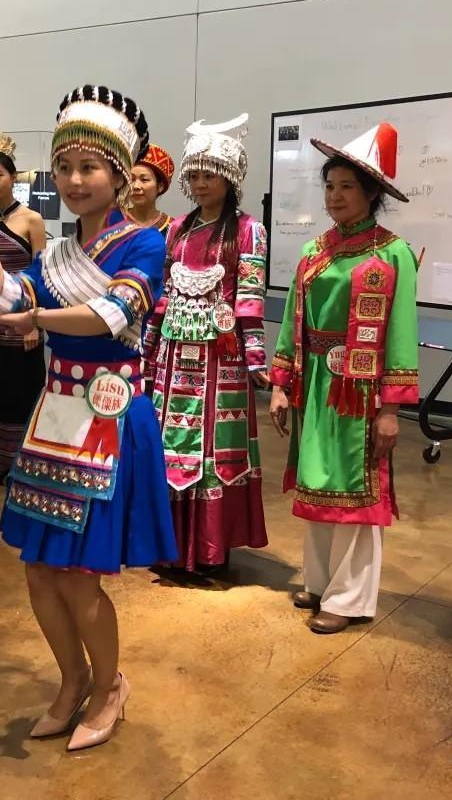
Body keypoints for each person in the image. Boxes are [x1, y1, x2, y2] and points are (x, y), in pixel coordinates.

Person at [0, 84, 177, 751]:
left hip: (110, 417)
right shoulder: (56, 254)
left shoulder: (144, 245)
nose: (75, 180)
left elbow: (112, 314)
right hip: (56, 412)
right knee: (38, 568)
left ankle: (109, 687)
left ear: (118, 175)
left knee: (81, 574)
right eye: (64, 168)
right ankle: (72, 681)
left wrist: (36, 317)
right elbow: (0, 297)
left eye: (89, 167)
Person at [268, 123, 419, 635]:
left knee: (355, 489)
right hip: (316, 383)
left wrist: (391, 408)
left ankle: (350, 597)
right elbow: (293, 321)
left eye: (346, 187)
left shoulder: (392, 253)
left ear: (371, 193)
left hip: (360, 390)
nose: (334, 196)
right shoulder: (315, 251)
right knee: (317, 481)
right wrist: (281, 383)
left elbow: (401, 332)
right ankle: (319, 580)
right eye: (329, 185)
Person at [144, 115, 268, 576]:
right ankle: (170, 546)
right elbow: (162, 294)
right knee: (170, 444)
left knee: (214, 447)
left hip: (222, 359)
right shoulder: (176, 228)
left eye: (208, 175)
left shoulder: (248, 231)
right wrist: (148, 348)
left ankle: (210, 550)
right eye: (193, 175)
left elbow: (249, 299)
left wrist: (255, 358)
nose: (199, 184)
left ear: (229, 178)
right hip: (174, 359)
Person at [0, 131, 48, 484]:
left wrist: (35, 324)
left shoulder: (31, 220)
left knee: (24, 392)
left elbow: (41, 273)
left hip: (24, 323)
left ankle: (26, 462)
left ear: (13, 177)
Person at [125, 143, 175, 236]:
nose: (136, 186)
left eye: (144, 180)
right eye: (131, 179)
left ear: (160, 186)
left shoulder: (173, 227)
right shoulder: (114, 221)